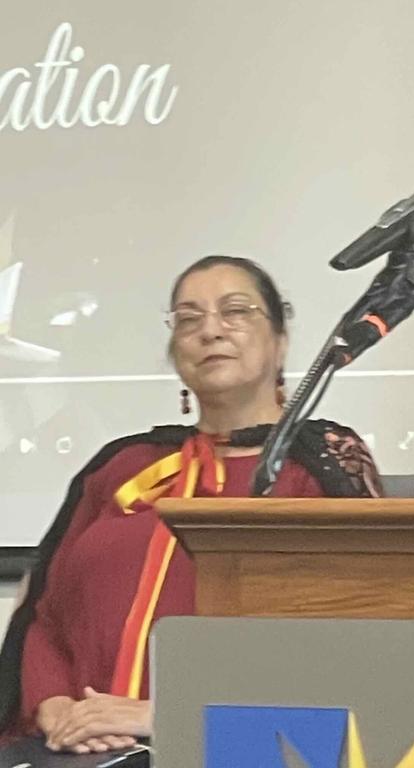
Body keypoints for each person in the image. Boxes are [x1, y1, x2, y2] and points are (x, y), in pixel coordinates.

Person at [0, 255, 382, 754]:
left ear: (280, 340)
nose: (211, 331)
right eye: (188, 318)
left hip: (245, 752)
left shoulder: (323, 463)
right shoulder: (122, 466)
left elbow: (344, 646)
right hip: (80, 752)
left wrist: (162, 715)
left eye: (236, 311)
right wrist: (55, 708)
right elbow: (45, 617)